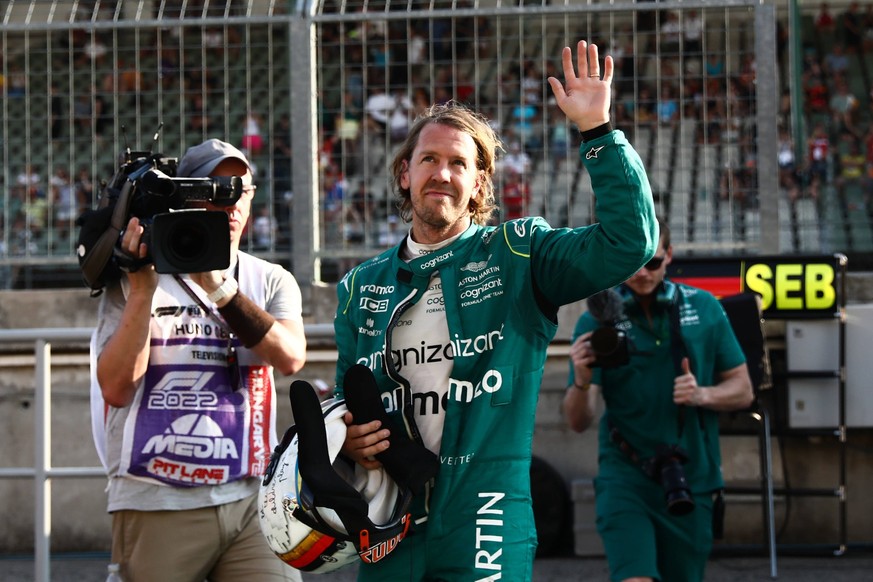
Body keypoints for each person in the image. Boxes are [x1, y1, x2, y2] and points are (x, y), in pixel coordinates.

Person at [332, 41, 658, 580]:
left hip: (485, 524)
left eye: (459, 163)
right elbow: (349, 397)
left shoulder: (519, 255)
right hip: (389, 525)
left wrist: (598, 131)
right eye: (429, 159)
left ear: (479, 182)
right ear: (403, 175)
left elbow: (629, 243)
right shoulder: (360, 287)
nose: (442, 173)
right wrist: (351, 438)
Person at [90, 139, 307, 581]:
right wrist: (143, 287)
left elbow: (289, 357)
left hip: (251, 502)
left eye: (239, 191)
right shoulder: (136, 274)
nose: (229, 205)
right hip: (158, 501)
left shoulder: (269, 279)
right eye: (215, 190)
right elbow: (115, 387)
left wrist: (219, 286)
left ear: (251, 199)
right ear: (186, 195)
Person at [563, 219, 754, 582]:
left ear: (669, 256)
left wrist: (702, 394)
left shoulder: (705, 308)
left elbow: (743, 389)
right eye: (633, 262)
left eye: (652, 262)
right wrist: (583, 381)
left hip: (690, 478)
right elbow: (577, 421)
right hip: (625, 477)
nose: (642, 273)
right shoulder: (596, 321)